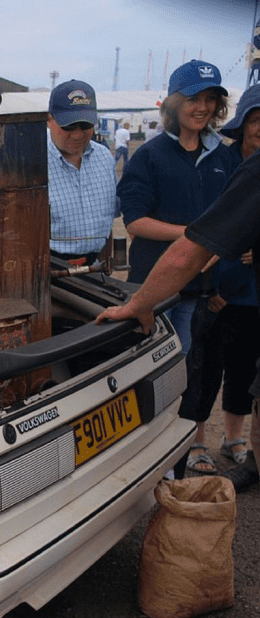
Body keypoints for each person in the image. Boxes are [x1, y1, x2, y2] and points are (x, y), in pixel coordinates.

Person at [96, 146, 260, 490]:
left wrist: (138, 303)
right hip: (180, 287)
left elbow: (188, 253)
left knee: (187, 373)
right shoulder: (152, 156)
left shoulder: (234, 164)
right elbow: (136, 219)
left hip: (190, 287)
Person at [116, 59, 238, 352]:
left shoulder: (223, 157)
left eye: (210, 99)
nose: (202, 107)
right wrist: (191, 235)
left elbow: (231, 218)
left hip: (200, 288)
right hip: (154, 289)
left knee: (181, 364)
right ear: (173, 102)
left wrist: (217, 252)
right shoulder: (150, 156)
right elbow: (135, 221)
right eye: (192, 98)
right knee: (149, 362)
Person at [175, 83, 260, 473]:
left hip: (253, 292)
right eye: (256, 119)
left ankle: (235, 437)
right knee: (205, 369)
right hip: (217, 289)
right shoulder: (220, 163)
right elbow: (207, 228)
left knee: (244, 370)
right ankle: (196, 442)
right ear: (242, 123)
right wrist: (215, 286)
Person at [45, 79, 119, 267]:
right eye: (68, 126)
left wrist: (106, 263)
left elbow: (108, 221)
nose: (77, 135)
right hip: (48, 268)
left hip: (95, 267)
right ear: (49, 120)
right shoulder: (31, 162)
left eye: (85, 125)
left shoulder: (104, 158)